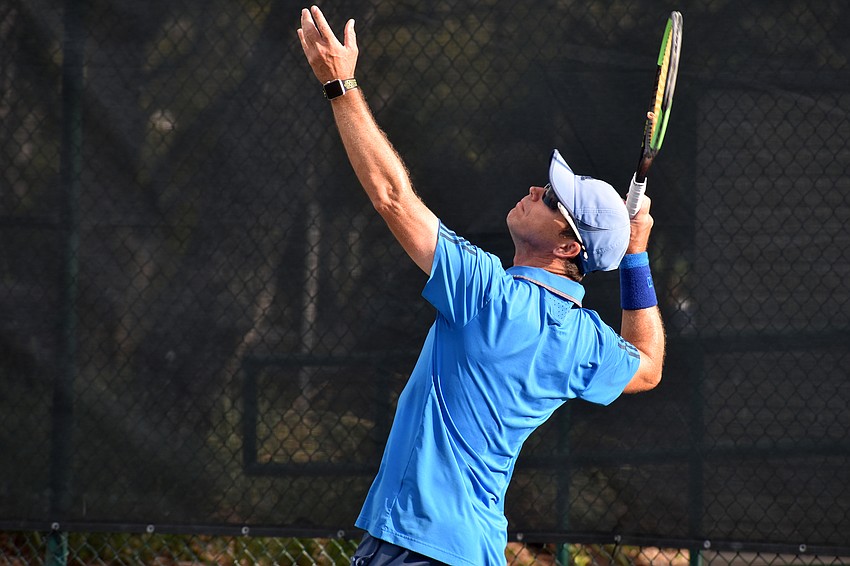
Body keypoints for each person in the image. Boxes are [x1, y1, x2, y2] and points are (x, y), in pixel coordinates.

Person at [297, 6, 665, 566]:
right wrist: (636, 258)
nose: (536, 189)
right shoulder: (581, 340)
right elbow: (649, 365)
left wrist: (341, 84)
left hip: (417, 547)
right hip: (468, 550)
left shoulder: (487, 297)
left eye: (551, 197)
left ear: (569, 247)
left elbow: (392, 198)